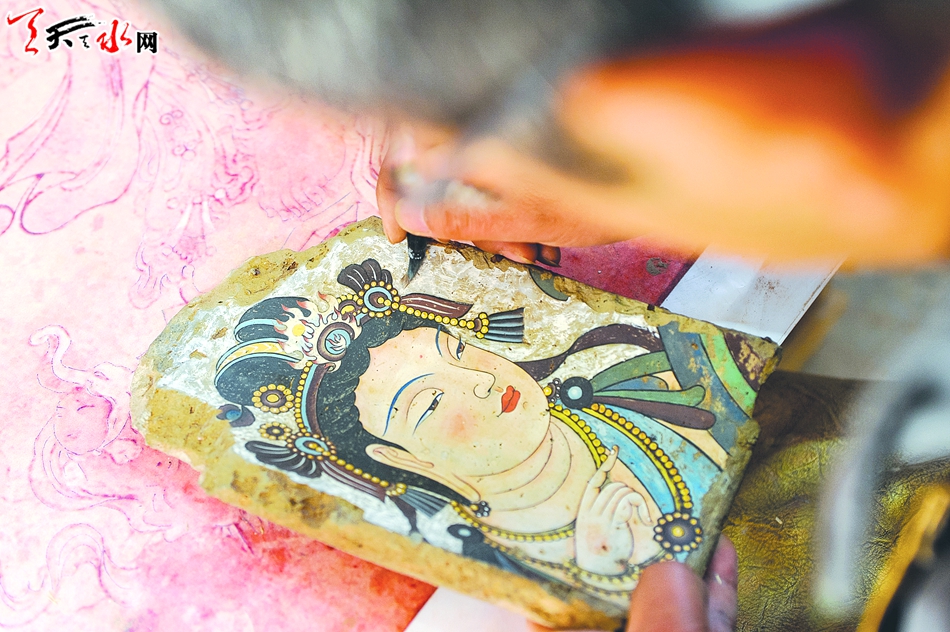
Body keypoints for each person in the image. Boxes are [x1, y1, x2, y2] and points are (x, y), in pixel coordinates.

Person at [213, 259, 764, 616]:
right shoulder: (481, 564)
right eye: (430, 402)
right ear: (406, 459)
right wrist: (600, 574)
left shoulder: (647, 382)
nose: (480, 381)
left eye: (458, 351)